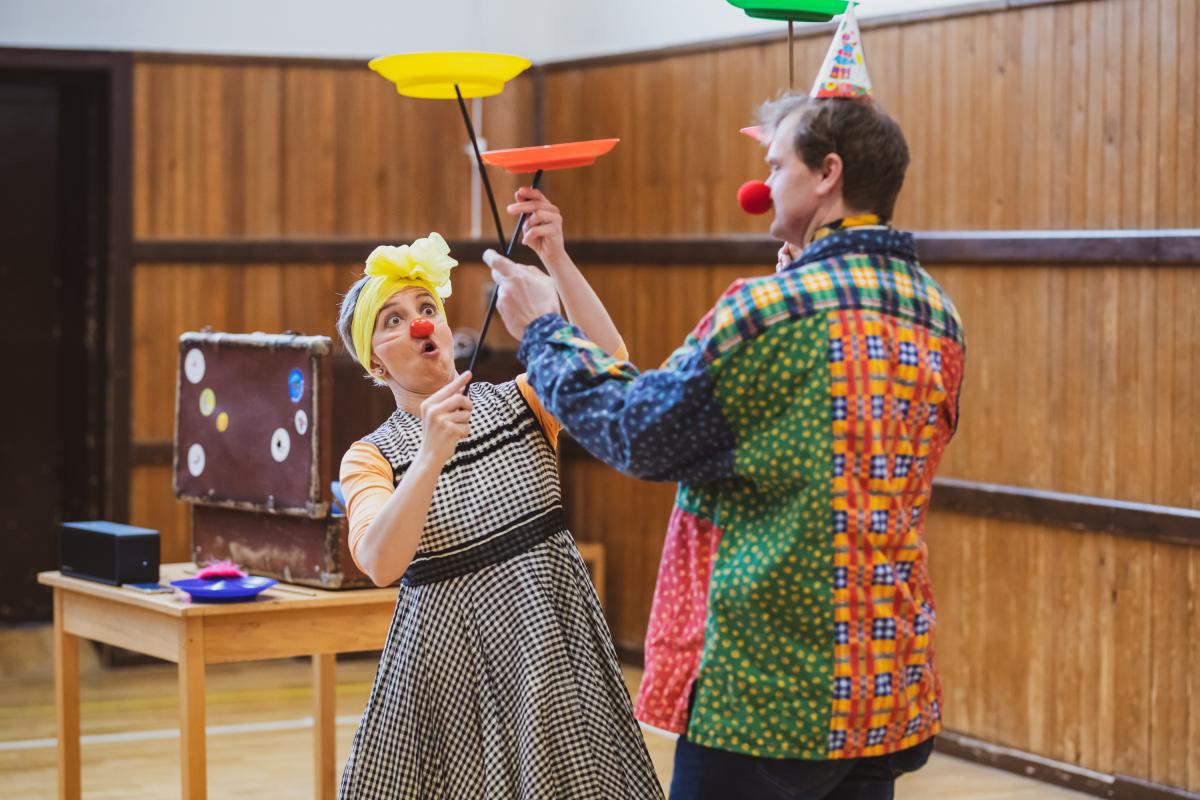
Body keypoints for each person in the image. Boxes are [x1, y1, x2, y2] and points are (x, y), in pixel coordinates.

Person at [485, 92, 966, 799]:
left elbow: (636, 430)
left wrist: (541, 329)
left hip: (768, 690)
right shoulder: (936, 314)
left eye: (777, 165)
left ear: (827, 173)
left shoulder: (770, 312)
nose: (763, 185)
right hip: (884, 682)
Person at [334, 202, 663, 798]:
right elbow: (380, 562)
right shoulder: (370, 456)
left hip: (547, 649)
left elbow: (606, 359)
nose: (419, 324)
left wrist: (555, 258)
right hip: (448, 674)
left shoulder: (521, 400)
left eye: (426, 308)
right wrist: (429, 456)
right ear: (374, 362)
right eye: (393, 320)